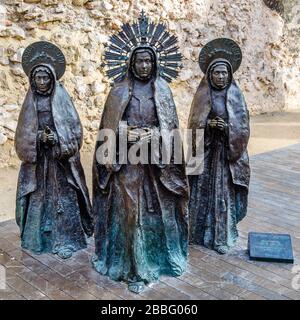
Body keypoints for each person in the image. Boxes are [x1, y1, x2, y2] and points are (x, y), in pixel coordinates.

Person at [92, 12, 189, 294]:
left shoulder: (164, 91)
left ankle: (160, 261)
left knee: (158, 212)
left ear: (155, 62)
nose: (144, 65)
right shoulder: (119, 91)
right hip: (127, 162)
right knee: (130, 213)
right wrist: (126, 133)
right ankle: (132, 268)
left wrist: (154, 135)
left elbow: (170, 128)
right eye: (139, 60)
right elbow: (107, 129)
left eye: (148, 61)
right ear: (131, 63)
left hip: (156, 166)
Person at [15, 41, 93, 259]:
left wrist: (57, 138)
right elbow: (22, 135)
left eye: (45, 77)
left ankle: (68, 239)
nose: (41, 82)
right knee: (39, 199)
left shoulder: (62, 98)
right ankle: (36, 239)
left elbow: (74, 129)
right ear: (32, 79)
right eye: (38, 78)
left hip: (60, 164)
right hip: (39, 163)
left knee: (64, 199)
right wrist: (39, 138)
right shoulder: (29, 102)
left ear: (52, 78)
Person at [188, 38, 250, 254]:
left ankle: (221, 236)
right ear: (210, 74)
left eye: (225, 73)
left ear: (230, 74)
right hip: (206, 151)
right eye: (217, 73)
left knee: (222, 193)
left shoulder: (236, 95)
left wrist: (226, 129)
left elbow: (242, 127)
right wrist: (207, 125)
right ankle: (198, 233)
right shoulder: (202, 94)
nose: (221, 77)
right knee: (202, 192)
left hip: (225, 154)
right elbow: (193, 124)